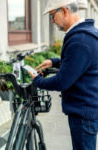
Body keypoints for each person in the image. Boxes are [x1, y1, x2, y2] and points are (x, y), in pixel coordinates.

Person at [28, 0, 98, 150]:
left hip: (83, 113)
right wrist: (54, 62)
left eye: (53, 15)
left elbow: (61, 82)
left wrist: (37, 80)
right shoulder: (85, 35)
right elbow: (78, 62)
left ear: (65, 11)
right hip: (86, 108)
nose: (52, 20)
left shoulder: (80, 40)